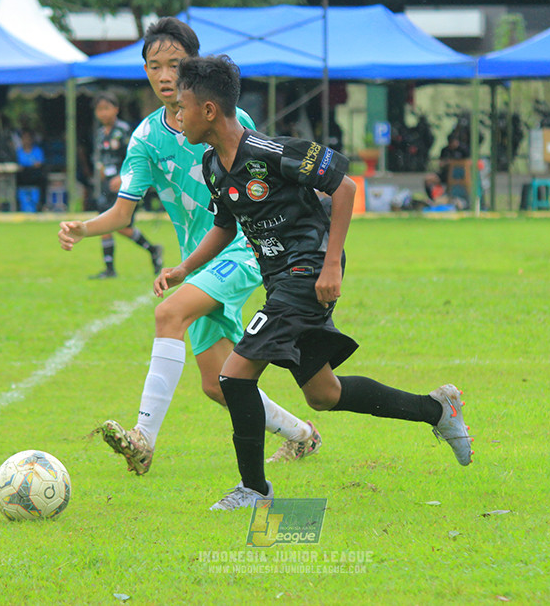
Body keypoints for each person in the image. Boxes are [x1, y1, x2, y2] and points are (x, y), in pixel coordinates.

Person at [158, 55, 473, 511]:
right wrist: (185, 269)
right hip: (280, 280)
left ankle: (254, 489)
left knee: (234, 375)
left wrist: (331, 266)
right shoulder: (212, 165)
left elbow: (344, 188)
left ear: (209, 110)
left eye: (182, 107)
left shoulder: (272, 152)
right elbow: (226, 225)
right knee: (324, 394)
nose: (178, 116)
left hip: (306, 275)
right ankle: (436, 409)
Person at [58, 18, 320, 475]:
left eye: (175, 65)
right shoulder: (144, 138)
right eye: (154, 66)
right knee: (219, 384)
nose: (164, 75)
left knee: (168, 313)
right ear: (144, 72)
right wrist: (84, 228)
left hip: (242, 247)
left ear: (194, 68)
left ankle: (143, 439)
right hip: (198, 261)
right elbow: (123, 213)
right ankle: (302, 435)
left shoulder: (230, 119)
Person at [88, 92, 164, 279]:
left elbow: (135, 157)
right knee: (103, 222)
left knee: (121, 225)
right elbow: (100, 158)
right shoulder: (99, 134)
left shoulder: (124, 131)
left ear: (116, 109)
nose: (103, 113)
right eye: (99, 109)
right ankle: (109, 269)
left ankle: (153, 249)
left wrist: (124, 177)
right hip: (107, 185)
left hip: (125, 186)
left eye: (106, 108)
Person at [15, 128, 44, 212]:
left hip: (34, 176)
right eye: (24, 138)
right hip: (22, 177)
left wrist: (27, 166)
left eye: (28, 138)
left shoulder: (37, 150)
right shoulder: (19, 152)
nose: (26, 140)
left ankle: (39, 205)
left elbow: (38, 164)